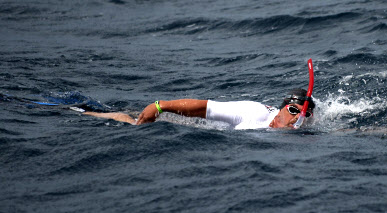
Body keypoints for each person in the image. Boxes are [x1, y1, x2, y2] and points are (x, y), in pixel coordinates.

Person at [83, 88, 315, 129]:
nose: (297, 119)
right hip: (184, 123)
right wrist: (160, 106)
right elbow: (204, 108)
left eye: (305, 115)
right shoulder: (255, 113)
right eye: (294, 111)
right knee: (134, 123)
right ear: (282, 109)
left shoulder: (301, 132)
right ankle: (89, 112)